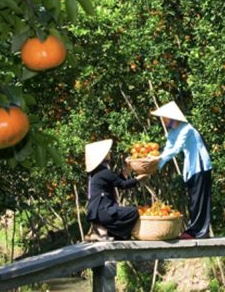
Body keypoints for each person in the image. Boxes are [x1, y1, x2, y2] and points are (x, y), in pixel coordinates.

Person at [149, 101, 212, 239]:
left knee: (199, 199)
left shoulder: (186, 129)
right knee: (193, 198)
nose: (162, 121)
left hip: (200, 165)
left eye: (164, 118)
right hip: (191, 166)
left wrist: (157, 160)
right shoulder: (173, 131)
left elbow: (176, 149)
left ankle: (200, 232)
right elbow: (168, 148)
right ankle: (193, 230)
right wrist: (157, 163)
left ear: (171, 117)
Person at [84, 139, 147, 241]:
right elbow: (123, 185)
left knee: (124, 215)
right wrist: (139, 178)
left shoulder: (97, 172)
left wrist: (128, 167)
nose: (109, 153)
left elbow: (117, 180)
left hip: (96, 213)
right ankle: (110, 233)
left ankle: (103, 233)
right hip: (104, 212)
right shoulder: (104, 172)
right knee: (133, 212)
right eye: (107, 152)